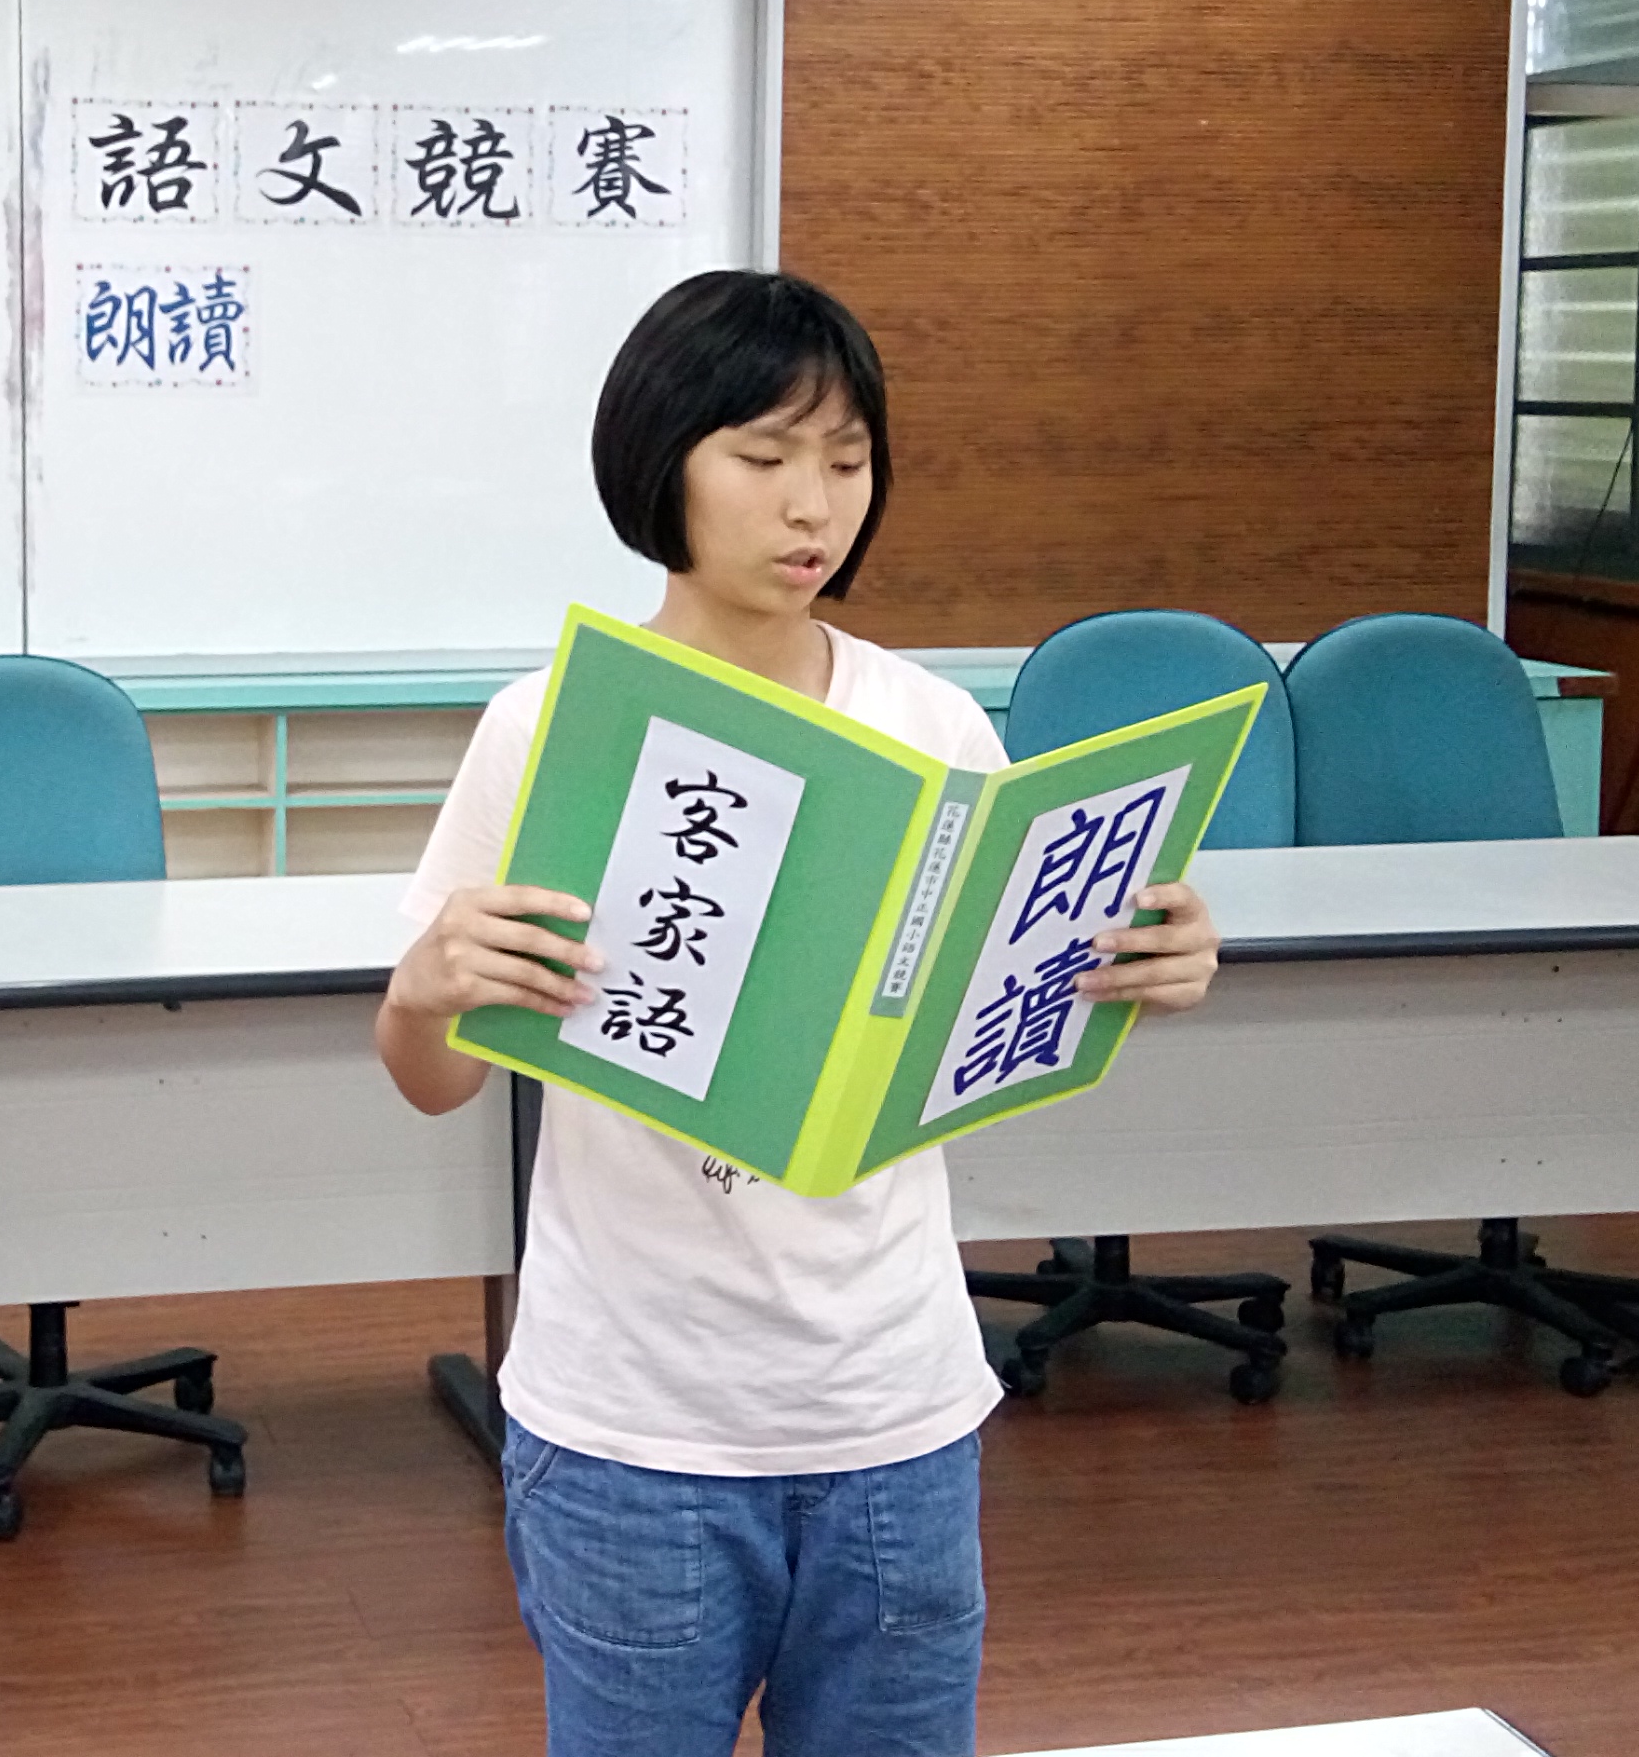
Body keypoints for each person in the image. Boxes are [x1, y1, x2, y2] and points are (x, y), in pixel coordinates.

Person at [373, 269, 1227, 1757]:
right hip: (634, 1425)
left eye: (846, 461)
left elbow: (985, 1017)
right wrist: (425, 989)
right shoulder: (552, 726)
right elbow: (433, 1080)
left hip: (896, 1409)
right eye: (763, 457)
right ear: (664, 463)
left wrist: (1142, 969)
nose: (810, 506)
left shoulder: (931, 725)